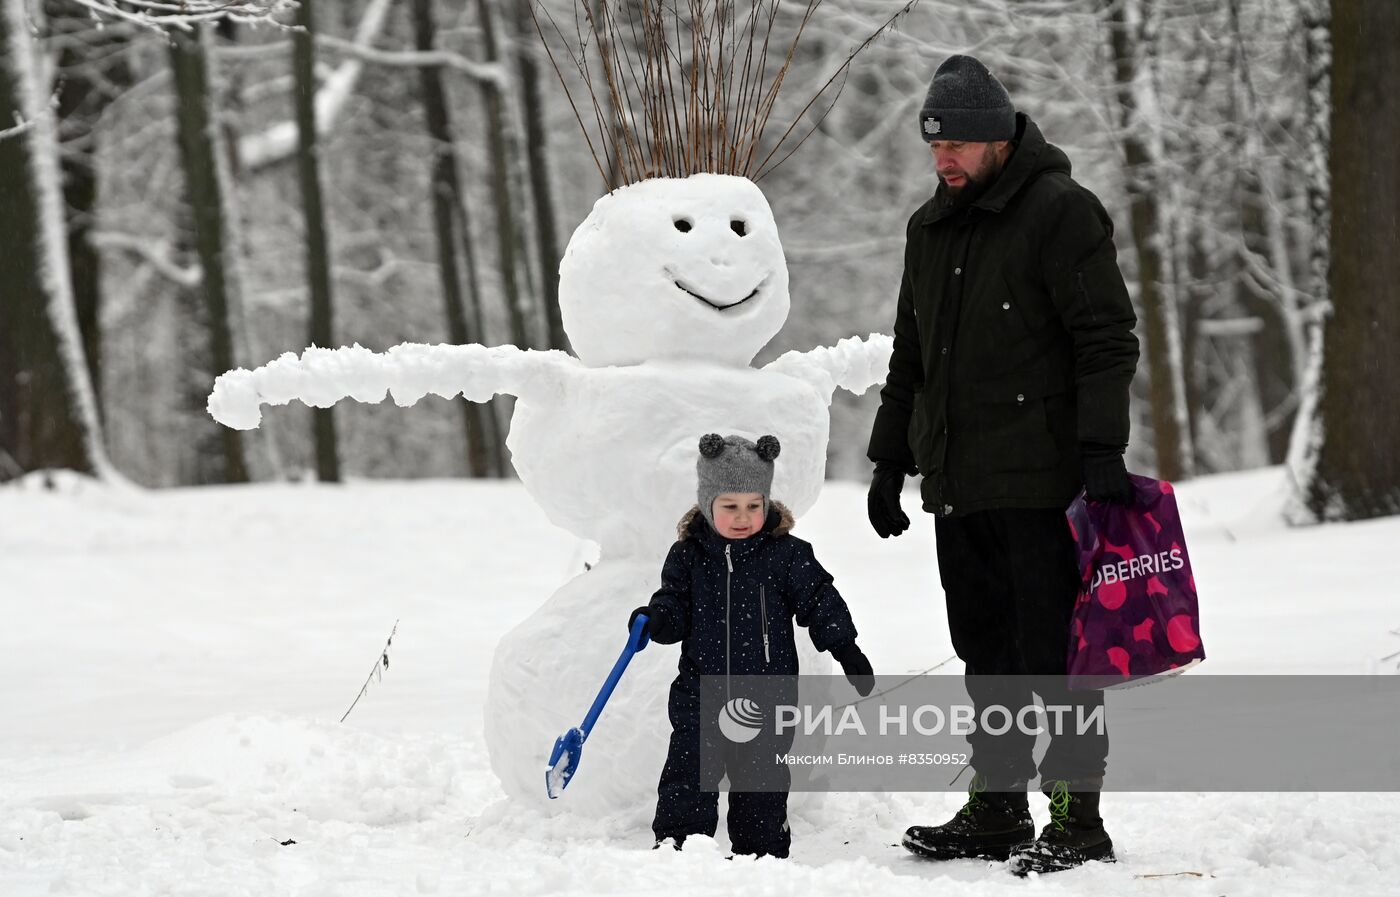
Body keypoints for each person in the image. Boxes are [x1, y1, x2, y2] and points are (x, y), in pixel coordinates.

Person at [865, 54, 1140, 875]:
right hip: (961, 480)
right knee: (984, 648)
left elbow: (1106, 338)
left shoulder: (1060, 212)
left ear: (1001, 138)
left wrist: (1103, 449)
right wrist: (890, 458)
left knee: (1054, 654)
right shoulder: (929, 227)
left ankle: (1074, 816)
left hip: (1046, 478)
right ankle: (996, 807)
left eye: (961, 144)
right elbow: (912, 352)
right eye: (935, 146)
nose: (945, 159)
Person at [629, 433, 874, 859]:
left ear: (766, 503)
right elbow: (675, 604)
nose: (742, 517)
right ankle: (680, 849)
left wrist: (845, 647)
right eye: (729, 506)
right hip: (700, 691)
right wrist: (656, 617)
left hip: (767, 693)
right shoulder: (687, 555)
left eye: (753, 506)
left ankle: (761, 855)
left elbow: (819, 598)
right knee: (688, 773)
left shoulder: (787, 555)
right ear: (707, 505)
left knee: (761, 780)